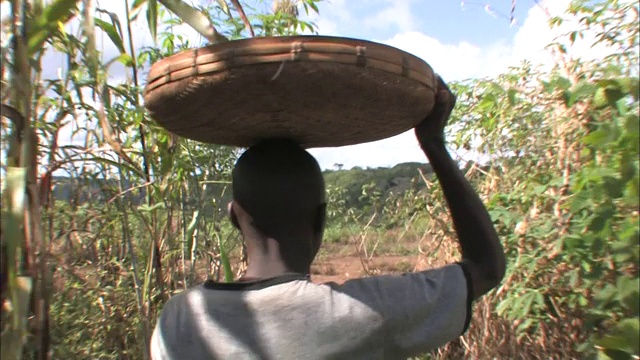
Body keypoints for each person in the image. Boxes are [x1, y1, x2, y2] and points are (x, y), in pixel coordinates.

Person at [150, 76, 506, 360]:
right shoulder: (359, 314)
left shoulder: (179, 319)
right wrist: (433, 143)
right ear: (321, 220)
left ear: (233, 217)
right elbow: (486, 267)